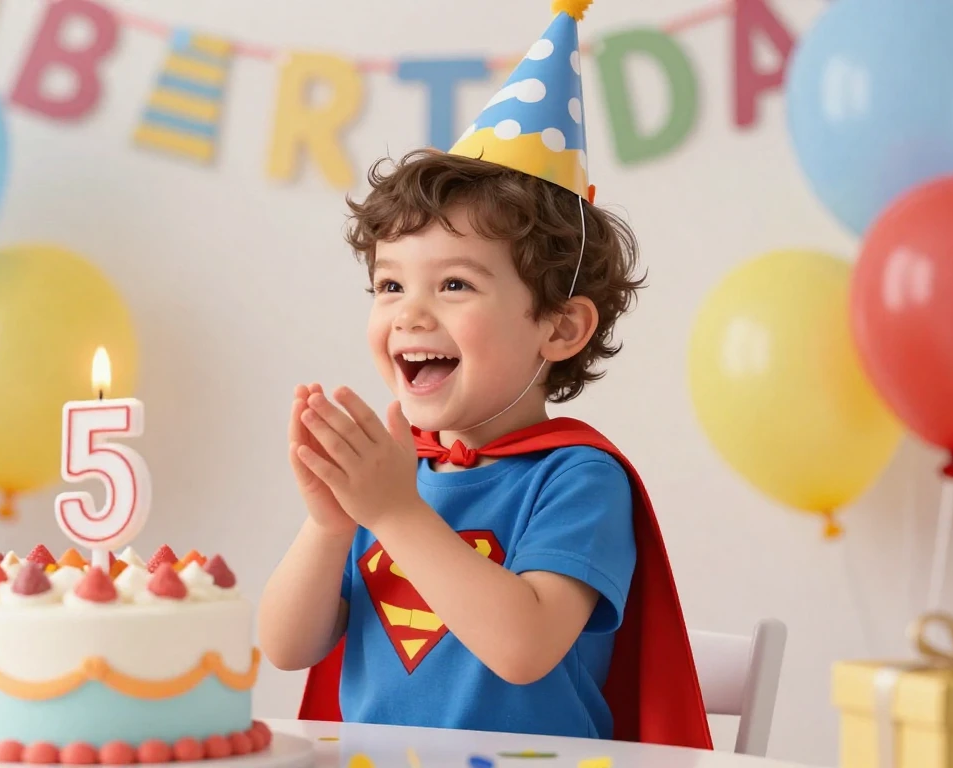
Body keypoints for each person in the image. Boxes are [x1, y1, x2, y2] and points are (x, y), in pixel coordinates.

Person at [257, 0, 711, 748]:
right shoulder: (396, 471)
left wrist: (395, 513)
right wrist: (332, 522)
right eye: (390, 284)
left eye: (455, 284)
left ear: (560, 328)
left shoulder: (578, 479)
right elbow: (285, 647)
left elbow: (523, 648)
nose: (409, 313)